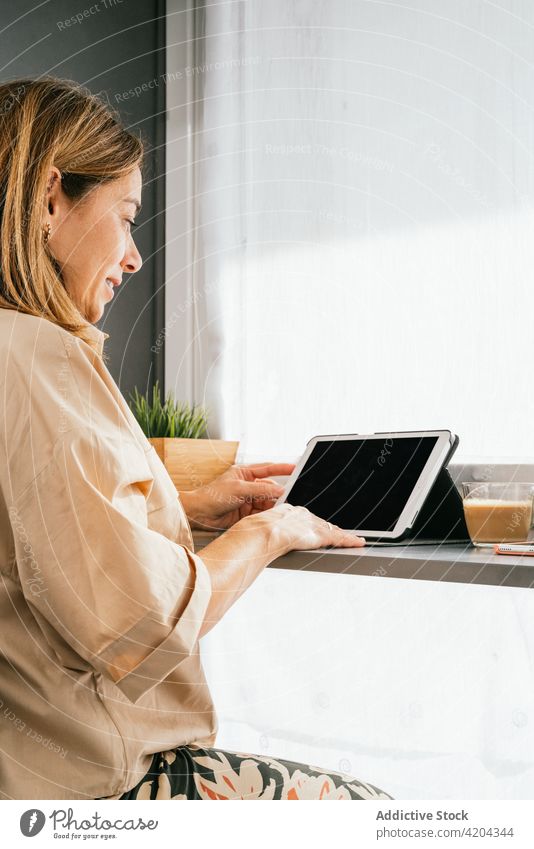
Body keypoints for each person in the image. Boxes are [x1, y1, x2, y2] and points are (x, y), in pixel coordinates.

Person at [0, 78, 391, 801]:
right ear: (52, 198)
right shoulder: (38, 358)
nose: (135, 256)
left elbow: (29, 524)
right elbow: (136, 624)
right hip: (87, 788)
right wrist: (271, 532)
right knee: (375, 813)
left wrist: (176, 502)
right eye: (125, 216)